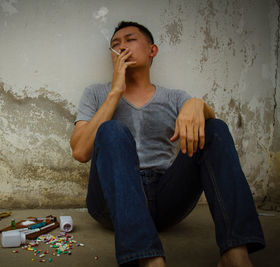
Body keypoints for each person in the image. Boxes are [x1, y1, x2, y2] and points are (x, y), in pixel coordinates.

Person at [70, 21, 265, 267]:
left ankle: (235, 253)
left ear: (152, 50)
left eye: (130, 40)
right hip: (112, 204)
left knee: (215, 128)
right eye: (115, 45)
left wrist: (198, 104)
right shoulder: (96, 94)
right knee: (111, 130)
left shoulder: (174, 97)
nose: (122, 48)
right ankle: (148, 259)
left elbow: (211, 134)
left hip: (166, 198)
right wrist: (115, 92)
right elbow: (79, 151)